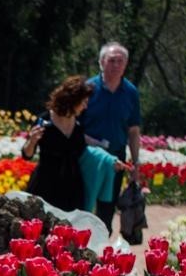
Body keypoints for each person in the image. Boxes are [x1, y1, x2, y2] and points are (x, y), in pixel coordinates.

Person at [81, 42, 143, 236]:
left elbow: (133, 130)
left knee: (107, 207)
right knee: (83, 203)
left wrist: (136, 162)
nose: (116, 65)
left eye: (120, 61)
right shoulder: (88, 89)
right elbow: (74, 125)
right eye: (112, 60)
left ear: (126, 64)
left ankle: (101, 250)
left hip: (116, 159)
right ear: (101, 62)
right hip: (88, 157)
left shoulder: (130, 92)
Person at [20, 76, 95, 212]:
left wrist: (110, 161)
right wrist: (32, 141)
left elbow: (85, 154)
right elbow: (27, 155)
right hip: (45, 185)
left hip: (72, 188)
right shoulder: (44, 120)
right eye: (83, 102)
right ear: (73, 100)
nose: (86, 106)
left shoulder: (78, 126)